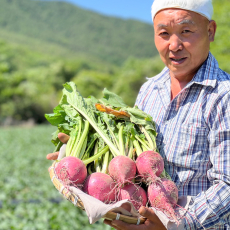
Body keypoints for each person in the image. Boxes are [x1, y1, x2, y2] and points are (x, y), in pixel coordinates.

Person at [104, 0, 230, 229]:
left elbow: (228, 184)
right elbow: (132, 158)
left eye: (186, 31)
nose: (174, 45)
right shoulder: (149, 90)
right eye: (164, 33)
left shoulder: (223, 96)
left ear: (210, 31)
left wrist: (177, 225)